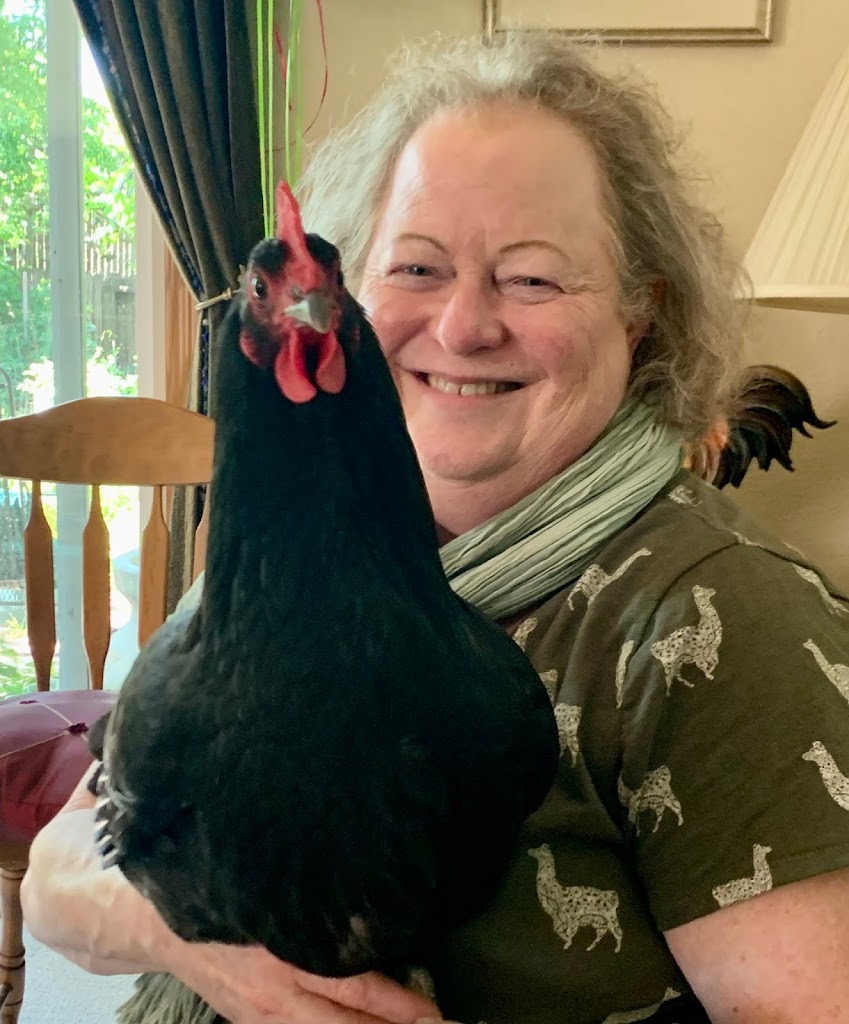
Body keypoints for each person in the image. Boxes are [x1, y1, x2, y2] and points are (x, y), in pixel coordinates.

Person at [22, 30, 849, 1024]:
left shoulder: (725, 620)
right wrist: (211, 945)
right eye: (416, 267)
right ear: (354, 302)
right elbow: (60, 873)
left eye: (533, 276)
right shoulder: (269, 556)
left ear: (639, 314)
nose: (464, 326)